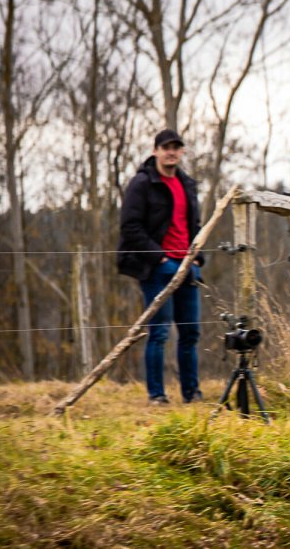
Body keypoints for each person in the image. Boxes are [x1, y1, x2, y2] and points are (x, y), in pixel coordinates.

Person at [117, 129, 204, 405]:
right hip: (158, 267)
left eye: (176, 147)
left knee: (190, 332)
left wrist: (198, 257)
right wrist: (160, 258)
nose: (172, 152)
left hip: (188, 265)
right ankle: (157, 396)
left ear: (182, 152)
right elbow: (130, 227)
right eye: (166, 147)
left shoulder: (187, 184)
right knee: (160, 332)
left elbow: (195, 226)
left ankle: (192, 393)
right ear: (155, 150)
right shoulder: (142, 184)